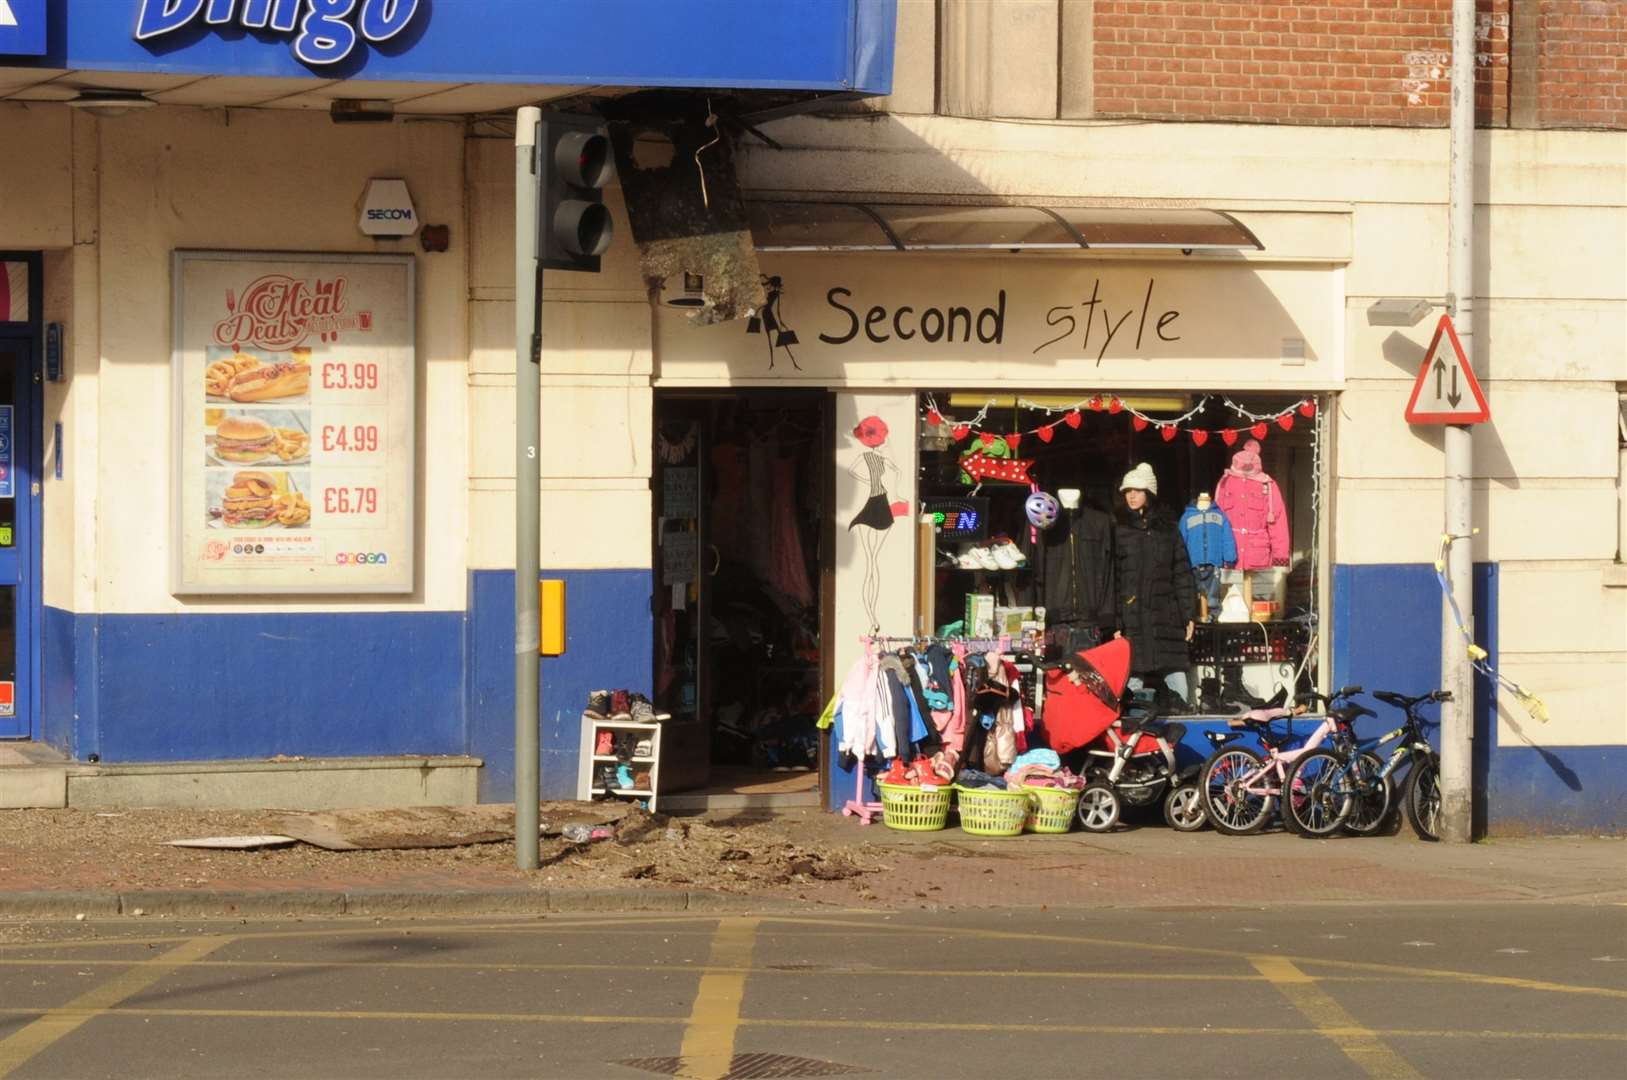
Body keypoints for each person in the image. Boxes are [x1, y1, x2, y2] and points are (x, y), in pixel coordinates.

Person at [1112, 462, 1196, 711]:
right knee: (1134, 676)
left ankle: (1182, 730)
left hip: (1166, 615)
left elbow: (1181, 572)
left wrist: (1187, 614)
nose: (1131, 495)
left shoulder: (1168, 530)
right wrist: (1116, 622)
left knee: (1175, 673)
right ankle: (1135, 739)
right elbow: (1114, 578)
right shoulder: (1119, 530)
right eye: (1127, 491)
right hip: (1132, 616)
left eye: (1137, 490)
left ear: (1149, 493)